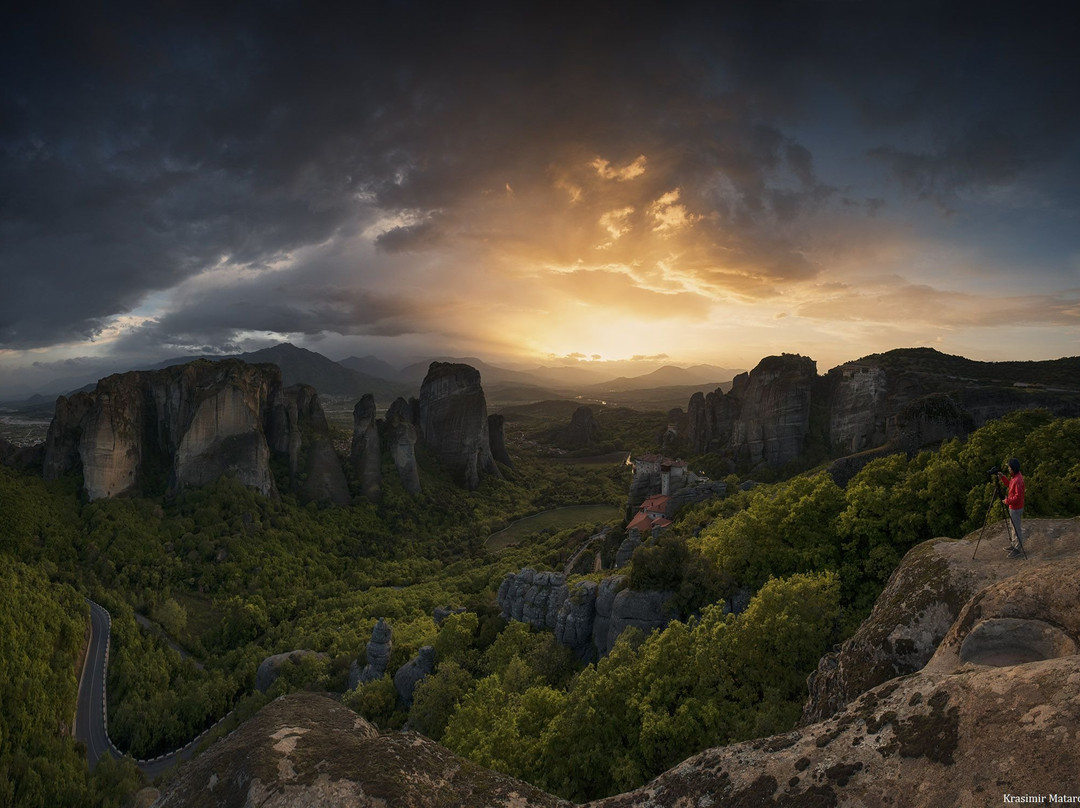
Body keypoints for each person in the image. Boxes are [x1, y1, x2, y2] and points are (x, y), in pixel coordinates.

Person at [999, 458, 1025, 558]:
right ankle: (1014, 545)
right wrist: (1003, 477)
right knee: (1013, 527)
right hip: (1013, 507)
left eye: (1009, 468)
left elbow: (1018, 497)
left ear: (1013, 469)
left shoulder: (1018, 480)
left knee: (1016, 529)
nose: (1008, 469)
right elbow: (1010, 485)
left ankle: (1017, 549)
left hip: (1016, 508)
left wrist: (1007, 501)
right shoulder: (1015, 477)